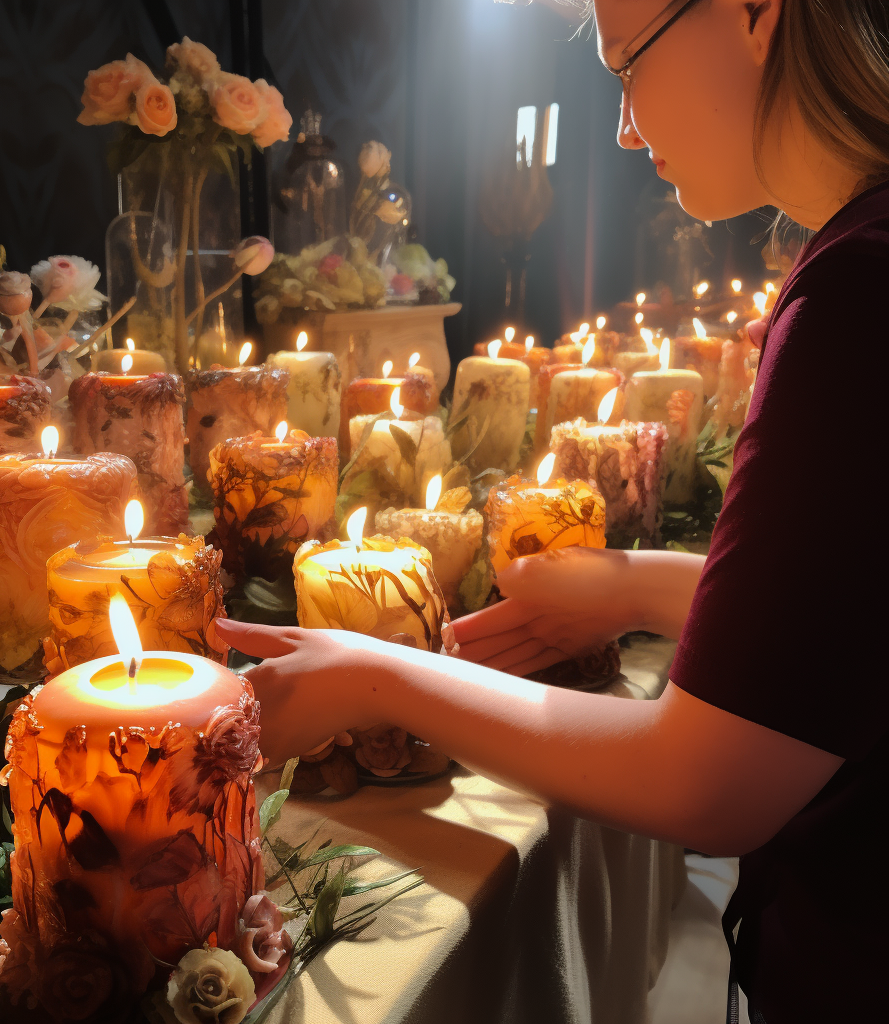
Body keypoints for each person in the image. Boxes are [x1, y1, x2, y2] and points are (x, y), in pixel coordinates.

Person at [215, 2, 889, 1019]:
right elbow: (851, 609)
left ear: (756, 14)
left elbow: (709, 781)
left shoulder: (856, 297)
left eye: (627, 67)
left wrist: (379, 675)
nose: (623, 126)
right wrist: (632, 584)